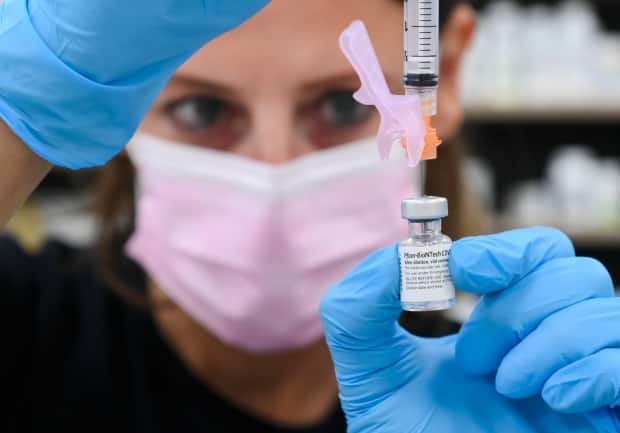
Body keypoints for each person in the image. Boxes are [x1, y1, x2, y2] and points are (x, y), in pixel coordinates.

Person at [0, 1, 618, 432]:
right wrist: (16, 113)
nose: (274, 172)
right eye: (200, 111)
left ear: (443, 72)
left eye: (341, 106)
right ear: (106, 102)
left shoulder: (506, 384)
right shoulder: (27, 332)